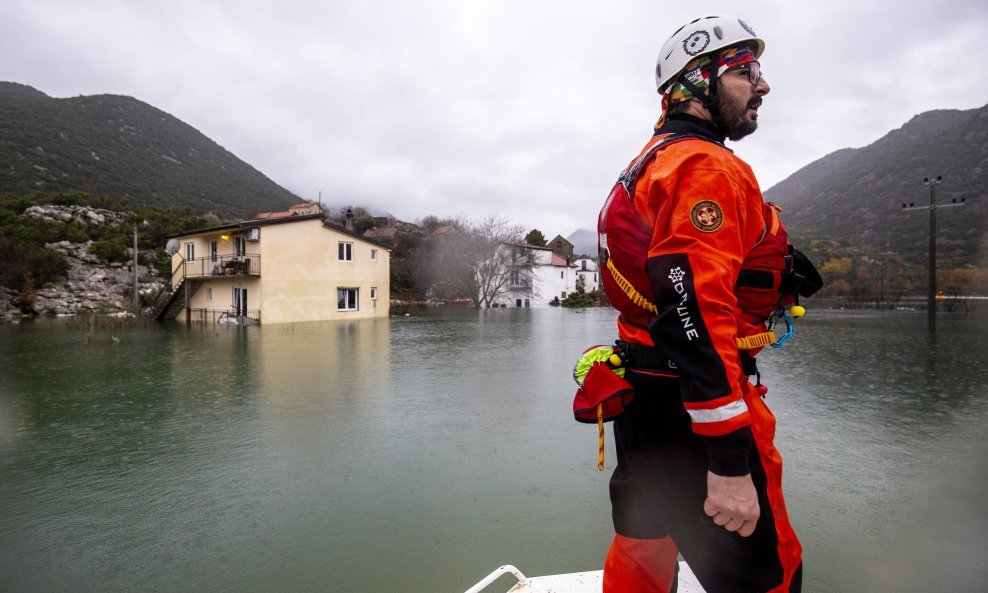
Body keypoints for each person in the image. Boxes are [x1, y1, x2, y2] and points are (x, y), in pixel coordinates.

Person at [596, 13, 820, 593]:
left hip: (642, 401)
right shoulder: (703, 166)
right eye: (746, 72)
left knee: (643, 547)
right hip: (691, 411)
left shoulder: (649, 160)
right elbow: (691, 308)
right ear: (697, 83)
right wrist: (727, 466)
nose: (763, 86)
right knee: (768, 576)